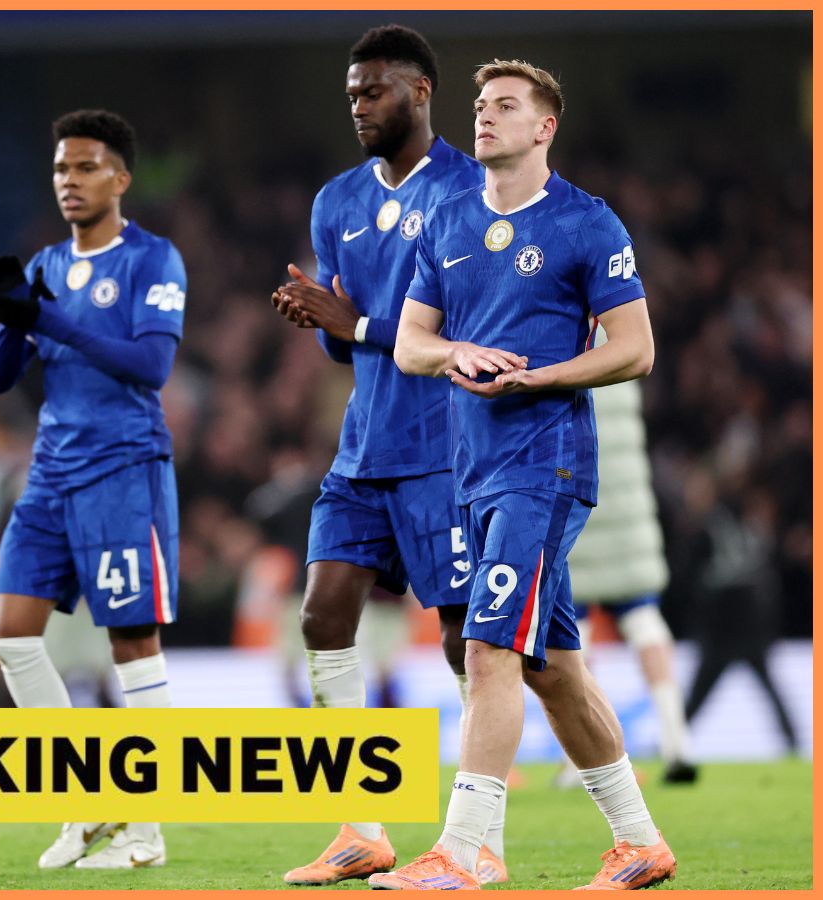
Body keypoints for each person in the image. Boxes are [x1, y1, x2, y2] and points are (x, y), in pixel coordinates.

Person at [377, 60, 675, 890]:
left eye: (504, 106)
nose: (483, 116)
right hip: (472, 470)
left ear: (544, 128)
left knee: (486, 648)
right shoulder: (448, 218)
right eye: (479, 105)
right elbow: (409, 344)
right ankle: (638, 841)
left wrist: (537, 378)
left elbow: (634, 349)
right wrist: (455, 353)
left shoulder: (585, 222)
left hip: (544, 465)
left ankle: (464, 849)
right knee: (552, 668)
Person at [266, 26, 501, 886]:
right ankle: (359, 828)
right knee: (322, 616)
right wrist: (319, 317)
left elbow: (467, 328)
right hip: (363, 447)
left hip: (446, 449)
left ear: (420, 91)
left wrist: (352, 322)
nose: (359, 107)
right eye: (351, 95)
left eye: (373, 91)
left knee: (462, 642)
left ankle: (475, 835)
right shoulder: (335, 202)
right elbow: (344, 346)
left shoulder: (471, 190)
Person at [0, 108, 184, 869]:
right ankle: (86, 800)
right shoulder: (46, 264)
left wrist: (52, 322)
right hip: (51, 473)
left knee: (131, 641)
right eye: (61, 168)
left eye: (86, 167)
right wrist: (14, 321)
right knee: (11, 636)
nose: (69, 180)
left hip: (123, 470)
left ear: (120, 178)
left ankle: (147, 831)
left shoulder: (153, 260)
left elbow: (151, 366)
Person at [563, 370, 698, 785]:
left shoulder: (562, 344)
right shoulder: (625, 346)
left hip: (577, 501)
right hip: (629, 513)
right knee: (644, 620)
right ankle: (677, 741)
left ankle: (578, 762)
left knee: (574, 633)